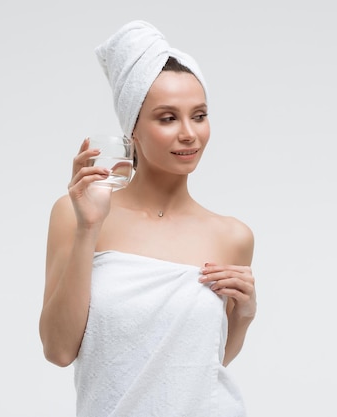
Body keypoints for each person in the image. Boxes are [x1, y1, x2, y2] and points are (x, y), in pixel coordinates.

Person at [39, 20, 256, 417]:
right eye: (168, 118)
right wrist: (89, 227)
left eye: (200, 115)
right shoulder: (75, 214)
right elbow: (58, 349)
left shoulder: (232, 235)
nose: (189, 133)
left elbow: (203, 366)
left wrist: (242, 317)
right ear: (132, 129)